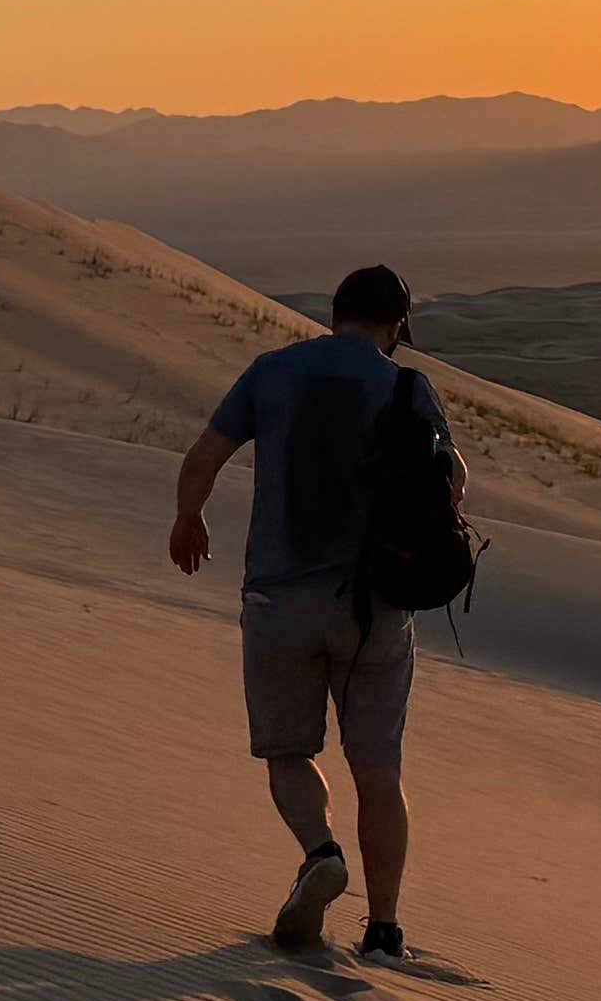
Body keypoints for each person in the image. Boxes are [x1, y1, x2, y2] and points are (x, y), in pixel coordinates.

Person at [168, 264, 440, 958]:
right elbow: (453, 482)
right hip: (374, 607)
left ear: (333, 315)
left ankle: (321, 850)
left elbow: (204, 455)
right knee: (377, 768)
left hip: (279, 598)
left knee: (289, 751)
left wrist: (188, 518)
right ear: (397, 327)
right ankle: (383, 931)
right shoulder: (406, 386)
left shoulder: (272, 371)